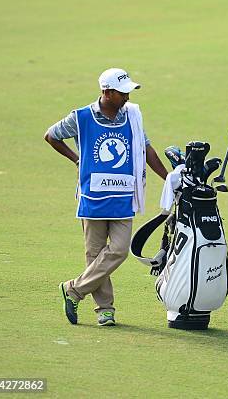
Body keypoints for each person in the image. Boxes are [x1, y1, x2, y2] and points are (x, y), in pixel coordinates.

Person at [44, 68, 168, 326]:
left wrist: (168, 179)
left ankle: (74, 290)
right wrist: (77, 160)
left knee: (119, 250)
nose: (127, 97)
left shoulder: (132, 116)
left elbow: (147, 150)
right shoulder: (80, 117)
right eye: (123, 93)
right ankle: (104, 309)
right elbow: (51, 136)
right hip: (93, 197)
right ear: (107, 92)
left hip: (123, 196)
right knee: (95, 254)